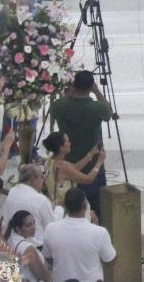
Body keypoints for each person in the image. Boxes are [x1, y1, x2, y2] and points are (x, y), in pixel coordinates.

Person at [49, 69, 115, 215]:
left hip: (67, 164)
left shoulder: (59, 105)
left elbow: (54, 112)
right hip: (92, 163)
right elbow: (109, 111)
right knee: (95, 207)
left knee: (69, 208)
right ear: (91, 87)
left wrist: (69, 93)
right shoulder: (96, 108)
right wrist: (97, 92)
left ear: (74, 84)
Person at [46, 191, 116, 282]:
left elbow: (49, 260)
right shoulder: (99, 233)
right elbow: (111, 261)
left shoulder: (50, 229)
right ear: (85, 207)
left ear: (66, 207)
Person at [39, 131, 103, 212]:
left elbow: (75, 168)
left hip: (56, 207)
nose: (70, 143)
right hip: (68, 210)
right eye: (68, 141)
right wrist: (99, 162)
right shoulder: (63, 167)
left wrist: (91, 153)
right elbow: (88, 179)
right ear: (61, 147)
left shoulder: (49, 161)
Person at [3, 164, 59, 243]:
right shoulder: (41, 200)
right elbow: (53, 227)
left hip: (13, 242)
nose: (43, 181)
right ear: (33, 179)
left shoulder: (13, 191)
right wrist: (59, 209)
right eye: (42, 177)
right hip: (36, 246)